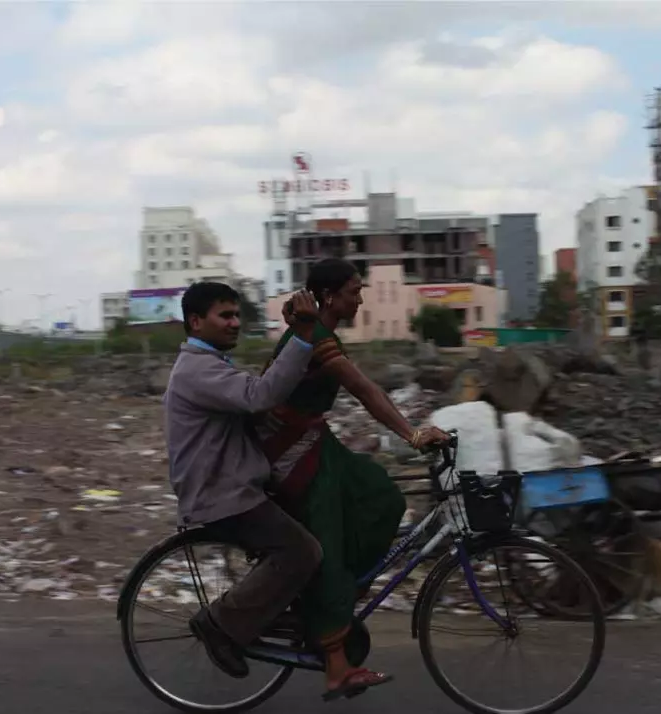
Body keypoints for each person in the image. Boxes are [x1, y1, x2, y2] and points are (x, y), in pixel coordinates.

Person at [254, 259, 450, 701]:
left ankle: (343, 591)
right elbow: (365, 390)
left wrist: (412, 432)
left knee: (382, 496)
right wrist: (413, 435)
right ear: (328, 296)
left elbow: (364, 391)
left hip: (314, 440)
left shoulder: (318, 332)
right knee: (329, 541)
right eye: (353, 292)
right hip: (290, 451)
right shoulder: (315, 337)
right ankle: (337, 666)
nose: (360, 299)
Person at [164, 281, 324, 680]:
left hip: (235, 485)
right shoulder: (198, 370)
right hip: (222, 494)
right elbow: (258, 396)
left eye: (237, 315)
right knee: (302, 551)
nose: (235, 323)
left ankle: (278, 612)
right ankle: (219, 623)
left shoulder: (211, 363)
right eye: (225, 315)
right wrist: (303, 336)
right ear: (196, 322)